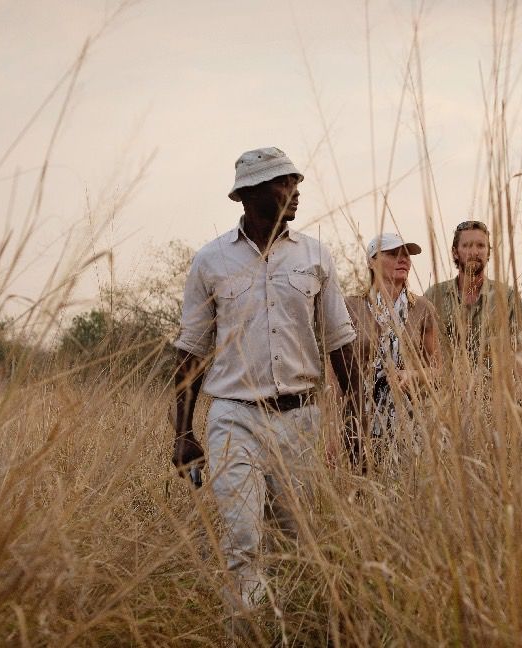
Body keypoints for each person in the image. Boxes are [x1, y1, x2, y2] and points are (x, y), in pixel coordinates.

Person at [169, 147, 356, 635]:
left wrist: (356, 426)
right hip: (234, 418)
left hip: (300, 419)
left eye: (296, 182)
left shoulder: (316, 256)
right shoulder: (210, 261)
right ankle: (249, 638)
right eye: (283, 183)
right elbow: (191, 351)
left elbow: (341, 343)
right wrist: (182, 432)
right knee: (243, 541)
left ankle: (300, 634)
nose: (295, 192)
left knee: (301, 541)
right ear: (249, 195)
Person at [344, 233, 439, 471]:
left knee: (405, 493)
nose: (403, 259)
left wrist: (413, 376)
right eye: (393, 253)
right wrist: (335, 432)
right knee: (361, 494)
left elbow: (441, 371)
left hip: (410, 423)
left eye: (407, 254)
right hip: (359, 420)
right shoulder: (351, 307)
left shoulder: (423, 309)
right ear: (371, 261)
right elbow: (335, 376)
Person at [424, 220, 522, 368]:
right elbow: (416, 346)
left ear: (488, 252)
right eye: (467, 245)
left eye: (481, 246)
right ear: (455, 252)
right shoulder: (434, 295)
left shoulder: (507, 296)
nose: (474, 252)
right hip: (444, 388)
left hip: (492, 388)